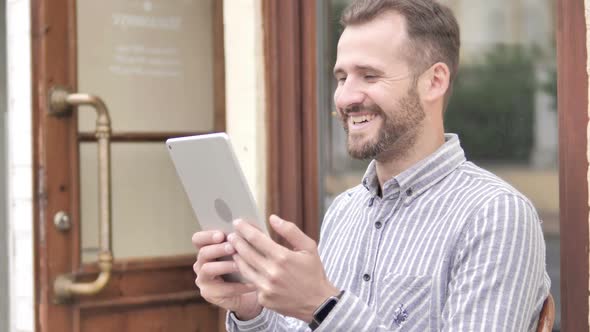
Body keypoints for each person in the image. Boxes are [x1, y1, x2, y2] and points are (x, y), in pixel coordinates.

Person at [192, 0, 551, 330]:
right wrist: (251, 308)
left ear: (434, 81)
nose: (346, 97)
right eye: (342, 77)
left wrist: (324, 306)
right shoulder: (344, 212)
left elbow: (326, 313)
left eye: (370, 75)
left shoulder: (495, 215)